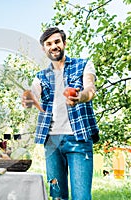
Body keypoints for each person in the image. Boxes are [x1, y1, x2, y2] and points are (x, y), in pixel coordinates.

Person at [22, 27, 99, 200]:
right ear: (44, 49)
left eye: (57, 42)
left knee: (81, 197)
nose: (53, 46)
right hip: (52, 142)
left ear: (64, 43)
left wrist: (79, 97)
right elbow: (34, 92)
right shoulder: (41, 76)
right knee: (57, 197)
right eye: (48, 44)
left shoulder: (83, 64)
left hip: (78, 140)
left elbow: (90, 88)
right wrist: (29, 98)